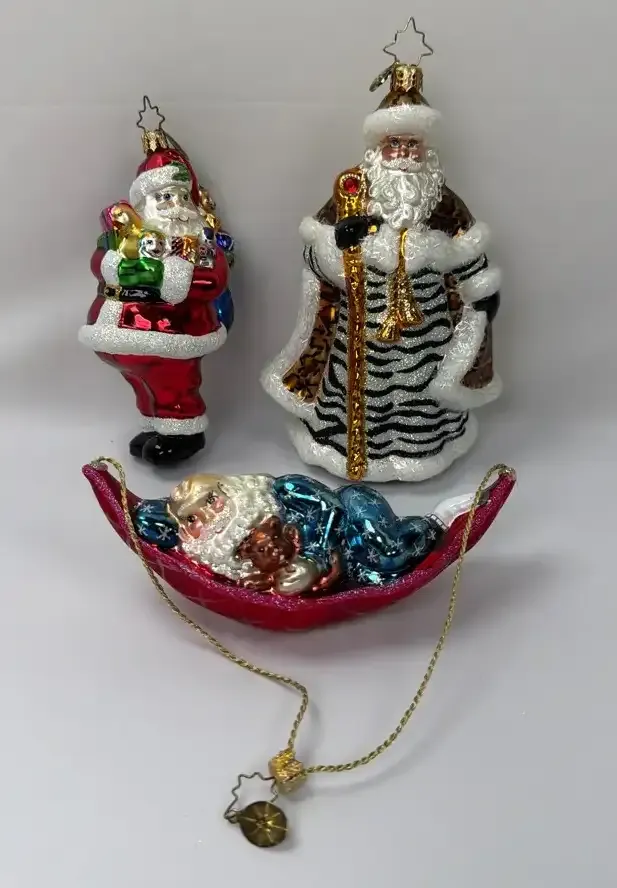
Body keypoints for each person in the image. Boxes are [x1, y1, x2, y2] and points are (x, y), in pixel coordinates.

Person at [262, 62, 502, 482]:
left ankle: (421, 449)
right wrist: (339, 244)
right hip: (360, 325)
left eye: (412, 144)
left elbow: (467, 252)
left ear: (425, 148)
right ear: (378, 147)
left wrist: (481, 293)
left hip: (427, 332)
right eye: (395, 143)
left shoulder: (443, 200)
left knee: (419, 394)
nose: (404, 153)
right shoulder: (351, 195)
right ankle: (346, 447)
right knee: (358, 389)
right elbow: (315, 256)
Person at [79, 127, 234, 466]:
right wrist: (113, 264)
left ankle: (184, 434)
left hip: (173, 333)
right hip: (121, 334)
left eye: (181, 198)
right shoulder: (125, 238)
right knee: (141, 382)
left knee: (173, 383)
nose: (176, 207)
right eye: (164, 198)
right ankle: (155, 424)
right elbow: (97, 262)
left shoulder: (201, 244)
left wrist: (168, 278)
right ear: (143, 204)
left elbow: (212, 281)